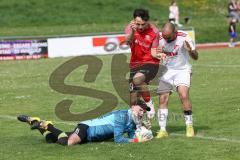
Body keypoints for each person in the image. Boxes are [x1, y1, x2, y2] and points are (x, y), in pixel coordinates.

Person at [17, 100, 152, 146]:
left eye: (143, 112)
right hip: (86, 128)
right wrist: (136, 141)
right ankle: (48, 124)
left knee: (51, 139)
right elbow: (118, 139)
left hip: (89, 137)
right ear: (133, 107)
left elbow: (132, 135)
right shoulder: (122, 116)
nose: (141, 113)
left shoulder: (133, 121)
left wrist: (143, 134)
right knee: (69, 143)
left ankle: (35, 122)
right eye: (140, 110)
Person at [151, 22, 198, 138]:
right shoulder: (160, 38)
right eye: (164, 37)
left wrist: (190, 50)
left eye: (169, 37)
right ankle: (162, 130)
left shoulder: (184, 37)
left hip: (183, 70)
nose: (166, 39)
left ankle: (189, 126)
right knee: (163, 98)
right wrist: (158, 53)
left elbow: (196, 57)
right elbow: (153, 54)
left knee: (183, 95)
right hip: (167, 71)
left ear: (175, 32)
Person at [125, 8, 160, 120]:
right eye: (138, 24)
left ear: (147, 21)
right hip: (135, 64)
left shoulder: (154, 31)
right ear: (134, 21)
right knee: (133, 101)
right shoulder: (130, 28)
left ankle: (149, 103)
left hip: (151, 63)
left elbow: (154, 52)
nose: (140, 27)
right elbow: (128, 42)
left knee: (137, 79)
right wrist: (133, 31)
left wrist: (162, 55)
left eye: (143, 24)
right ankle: (139, 128)